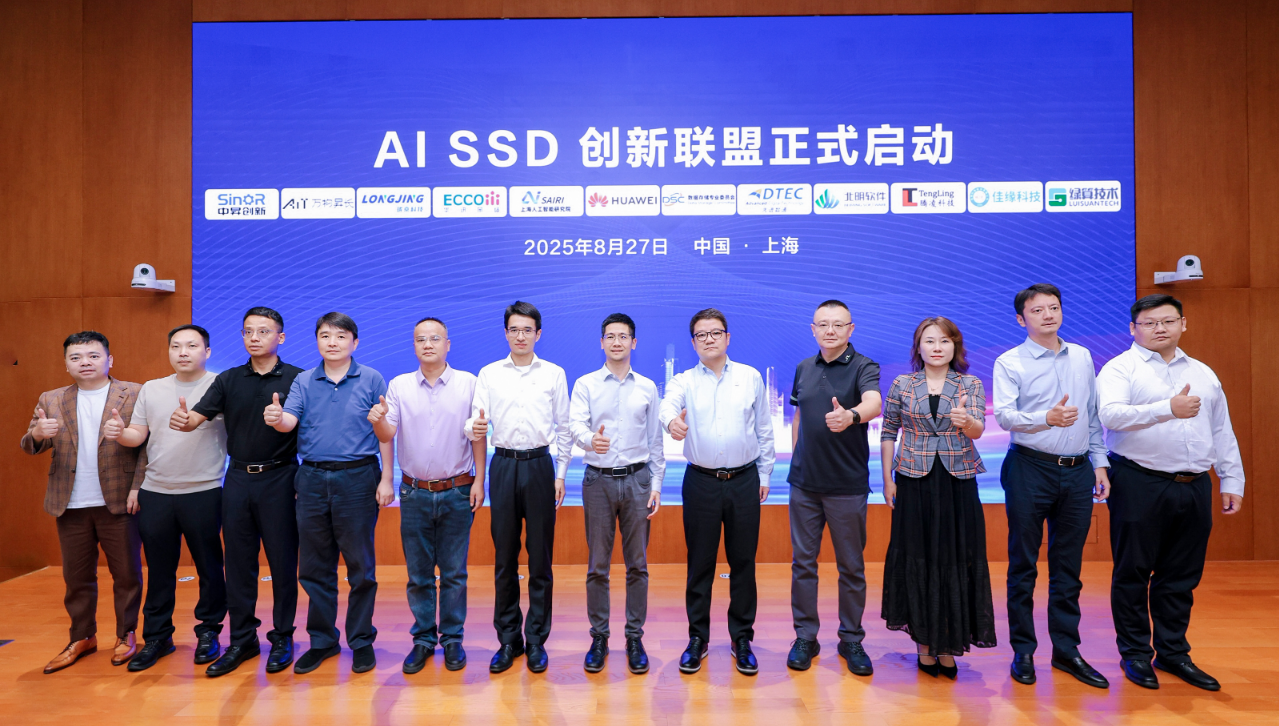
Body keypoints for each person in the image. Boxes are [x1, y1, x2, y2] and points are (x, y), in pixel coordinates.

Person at [1097, 294, 1244, 691]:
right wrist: (1167, 408)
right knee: (1133, 572)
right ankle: (1135, 653)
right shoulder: (1120, 368)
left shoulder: (1203, 372)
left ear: (1183, 324)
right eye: (1149, 322)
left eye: (1167, 321)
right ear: (1133, 328)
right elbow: (1110, 415)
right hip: (1139, 480)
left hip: (1194, 484)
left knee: (1181, 574)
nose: (1159, 328)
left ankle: (1174, 653)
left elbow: (1221, 429)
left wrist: (1231, 479)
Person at [173, 306, 303, 677]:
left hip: (281, 478)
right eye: (248, 331)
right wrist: (184, 420)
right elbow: (196, 417)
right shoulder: (228, 379)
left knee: (282, 563)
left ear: (280, 337)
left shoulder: (299, 378)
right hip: (239, 479)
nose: (254, 337)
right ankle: (243, 639)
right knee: (239, 564)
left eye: (264, 331)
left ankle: (282, 637)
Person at [992, 284, 1111, 689]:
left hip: (1077, 471)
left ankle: (1066, 650)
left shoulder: (1082, 356)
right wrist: (1047, 418)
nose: (1048, 315)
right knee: (1023, 564)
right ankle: (1023, 650)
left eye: (1054, 308)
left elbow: (1091, 415)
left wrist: (1099, 462)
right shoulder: (1010, 361)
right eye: (1037, 310)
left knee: (1068, 566)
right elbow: (1005, 416)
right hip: (1030, 467)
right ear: (1020, 319)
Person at [266, 312, 394, 675]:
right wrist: (277, 418)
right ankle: (322, 641)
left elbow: (385, 435)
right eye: (325, 335)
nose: (332, 342)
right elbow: (289, 421)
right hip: (311, 478)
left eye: (340, 336)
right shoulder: (305, 380)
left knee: (360, 567)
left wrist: (387, 478)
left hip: (358, 477)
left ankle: (361, 640)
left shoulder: (371, 378)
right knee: (314, 566)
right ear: (317, 341)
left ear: (355, 342)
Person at [105, 324, 228, 672]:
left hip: (204, 491)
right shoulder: (152, 389)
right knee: (159, 570)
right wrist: (120, 433)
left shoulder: (221, 386)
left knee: (209, 567)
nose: (183, 352)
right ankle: (158, 637)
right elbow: (137, 435)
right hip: (156, 492)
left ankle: (209, 632)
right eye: (176, 346)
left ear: (207, 351)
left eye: (192, 345)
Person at [660, 308, 775, 676]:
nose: (709, 339)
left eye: (715, 332)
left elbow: (764, 429)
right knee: (700, 565)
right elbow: (667, 406)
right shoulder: (684, 381)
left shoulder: (750, 377)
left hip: (744, 480)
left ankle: (742, 639)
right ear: (693, 342)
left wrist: (765, 474)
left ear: (727, 337)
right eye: (701, 334)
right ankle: (698, 638)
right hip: (701, 482)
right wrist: (672, 422)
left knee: (743, 563)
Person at [21, 331, 144, 673]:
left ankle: (125, 634)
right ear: (66, 364)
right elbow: (30, 443)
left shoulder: (134, 393)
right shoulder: (52, 398)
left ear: (109, 360)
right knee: (76, 577)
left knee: (127, 575)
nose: (85, 362)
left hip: (118, 499)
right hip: (70, 501)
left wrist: (138, 488)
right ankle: (82, 637)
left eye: (93, 355)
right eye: (76, 357)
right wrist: (38, 434)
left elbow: (148, 448)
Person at [880, 316, 996, 679]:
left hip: (957, 481)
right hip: (912, 479)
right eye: (929, 341)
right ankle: (924, 645)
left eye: (944, 341)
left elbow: (978, 430)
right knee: (919, 557)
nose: (937, 347)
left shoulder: (970, 384)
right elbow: (888, 431)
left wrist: (966, 421)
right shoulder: (902, 383)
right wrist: (887, 480)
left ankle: (948, 644)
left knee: (954, 557)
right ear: (918, 347)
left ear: (955, 346)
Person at [370, 317, 484, 674]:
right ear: (414, 345)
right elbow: (387, 434)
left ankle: (452, 639)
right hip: (415, 492)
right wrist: (378, 420)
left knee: (454, 573)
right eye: (421, 339)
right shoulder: (400, 386)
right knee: (418, 574)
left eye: (435, 338)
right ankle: (422, 639)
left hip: (457, 489)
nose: (428, 344)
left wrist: (480, 480)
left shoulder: (469, 383)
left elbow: (478, 434)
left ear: (448, 344)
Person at [465, 301, 572, 674]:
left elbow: (564, 427)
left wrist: (561, 474)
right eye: (514, 329)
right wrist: (474, 428)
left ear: (538, 334)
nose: (521, 336)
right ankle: (508, 640)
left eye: (528, 330)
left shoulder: (554, 373)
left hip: (541, 466)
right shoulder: (490, 373)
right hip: (504, 466)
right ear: (506, 333)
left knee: (540, 560)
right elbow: (474, 422)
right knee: (505, 558)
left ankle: (537, 640)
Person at [786, 300, 882, 675]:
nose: (830, 330)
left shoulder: (864, 366)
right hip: (804, 486)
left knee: (851, 567)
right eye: (823, 324)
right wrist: (796, 458)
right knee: (803, 565)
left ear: (850, 329)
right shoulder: (803, 367)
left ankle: (851, 638)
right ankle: (805, 637)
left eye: (838, 324)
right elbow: (799, 416)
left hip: (847, 485)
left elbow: (874, 402)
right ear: (813, 329)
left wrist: (851, 416)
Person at [568, 313, 665, 674]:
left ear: (633, 342)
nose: (617, 342)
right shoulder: (586, 384)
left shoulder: (647, 387)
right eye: (610, 336)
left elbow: (655, 441)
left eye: (623, 336)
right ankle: (599, 637)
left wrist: (656, 485)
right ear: (601, 342)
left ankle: (634, 637)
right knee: (598, 566)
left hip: (638, 481)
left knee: (638, 565)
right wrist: (588, 440)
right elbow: (575, 425)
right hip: (598, 480)